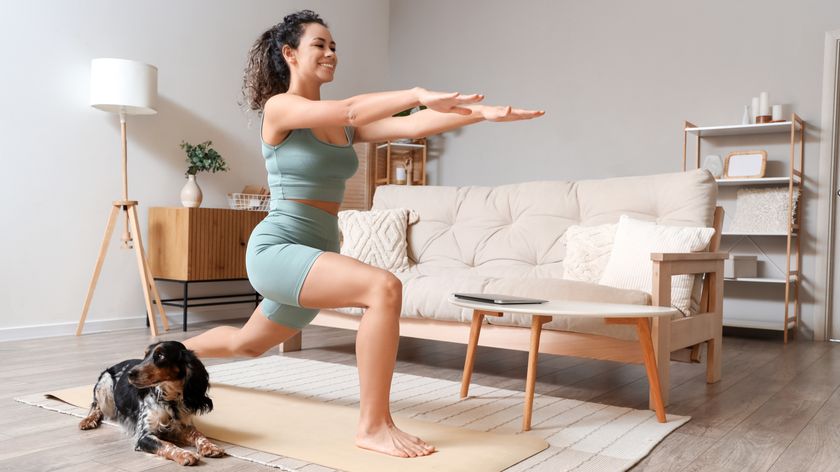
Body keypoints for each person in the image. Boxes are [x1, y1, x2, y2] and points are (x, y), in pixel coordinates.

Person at [183, 9, 544, 458]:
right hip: (279, 249)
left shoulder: (340, 125)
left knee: (247, 344)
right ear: (289, 53)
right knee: (383, 287)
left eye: (334, 46)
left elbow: (410, 125)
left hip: (315, 251)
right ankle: (373, 425)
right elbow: (355, 107)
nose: (331, 53)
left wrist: (480, 115)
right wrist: (415, 92)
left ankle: (164, 355)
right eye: (320, 44)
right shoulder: (281, 108)